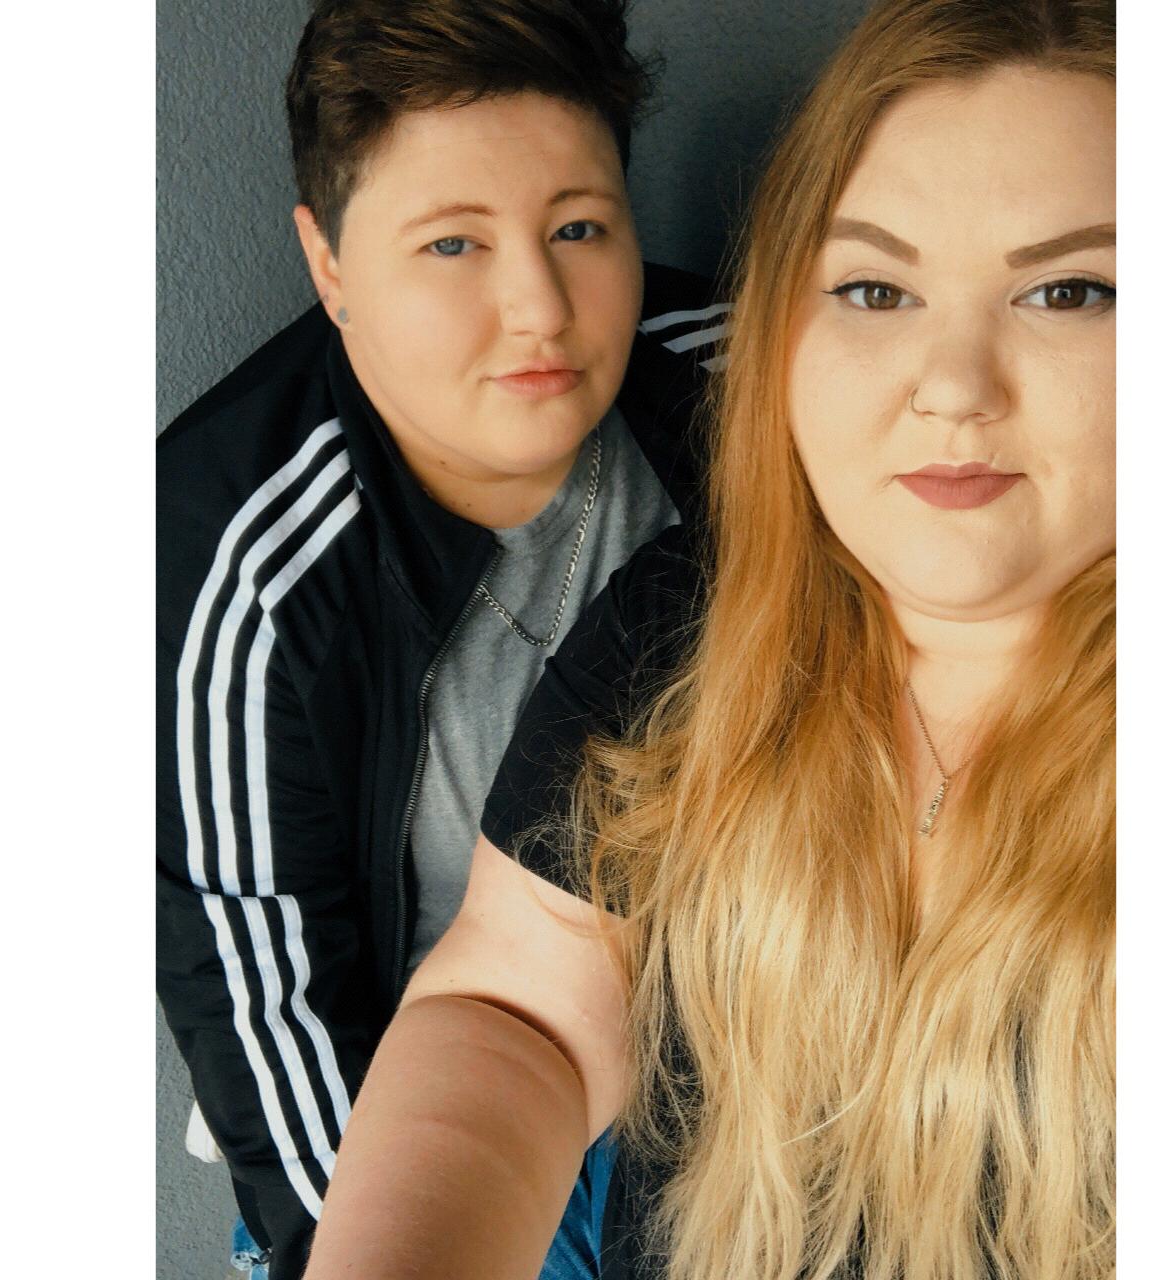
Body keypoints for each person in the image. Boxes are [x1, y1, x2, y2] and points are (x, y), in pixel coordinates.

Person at [304, 0, 1115, 1277]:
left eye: (1068, 291)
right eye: (873, 288)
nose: (952, 383)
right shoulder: (691, 613)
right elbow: (521, 1005)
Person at [155, 1, 727, 1276]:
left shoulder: (751, 386)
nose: (538, 306)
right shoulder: (231, 558)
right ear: (330, 265)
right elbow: (269, 1028)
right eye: (452, 243)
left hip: (738, 1091)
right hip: (413, 1127)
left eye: (577, 228)